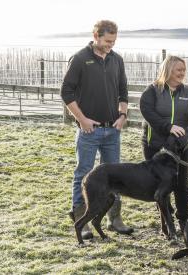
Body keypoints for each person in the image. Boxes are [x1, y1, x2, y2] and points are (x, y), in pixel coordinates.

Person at [60, 20, 133, 239]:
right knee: (83, 173)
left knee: (116, 176)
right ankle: (82, 221)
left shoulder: (116, 60)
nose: (110, 45)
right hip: (89, 132)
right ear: (96, 36)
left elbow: (123, 91)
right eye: (107, 41)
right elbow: (67, 93)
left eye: (113, 41)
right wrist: (82, 120)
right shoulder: (80, 59)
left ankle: (114, 219)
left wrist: (123, 115)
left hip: (112, 131)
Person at [140, 55, 188, 234]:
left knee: (182, 183)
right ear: (168, 71)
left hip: (180, 149)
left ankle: (183, 221)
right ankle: (166, 222)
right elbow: (148, 113)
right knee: (159, 185)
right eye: (178, 70)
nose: (182, 73)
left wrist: (187, 138)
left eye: (184, 70)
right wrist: (168, 127)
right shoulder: (152, 91)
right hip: (155, 146)